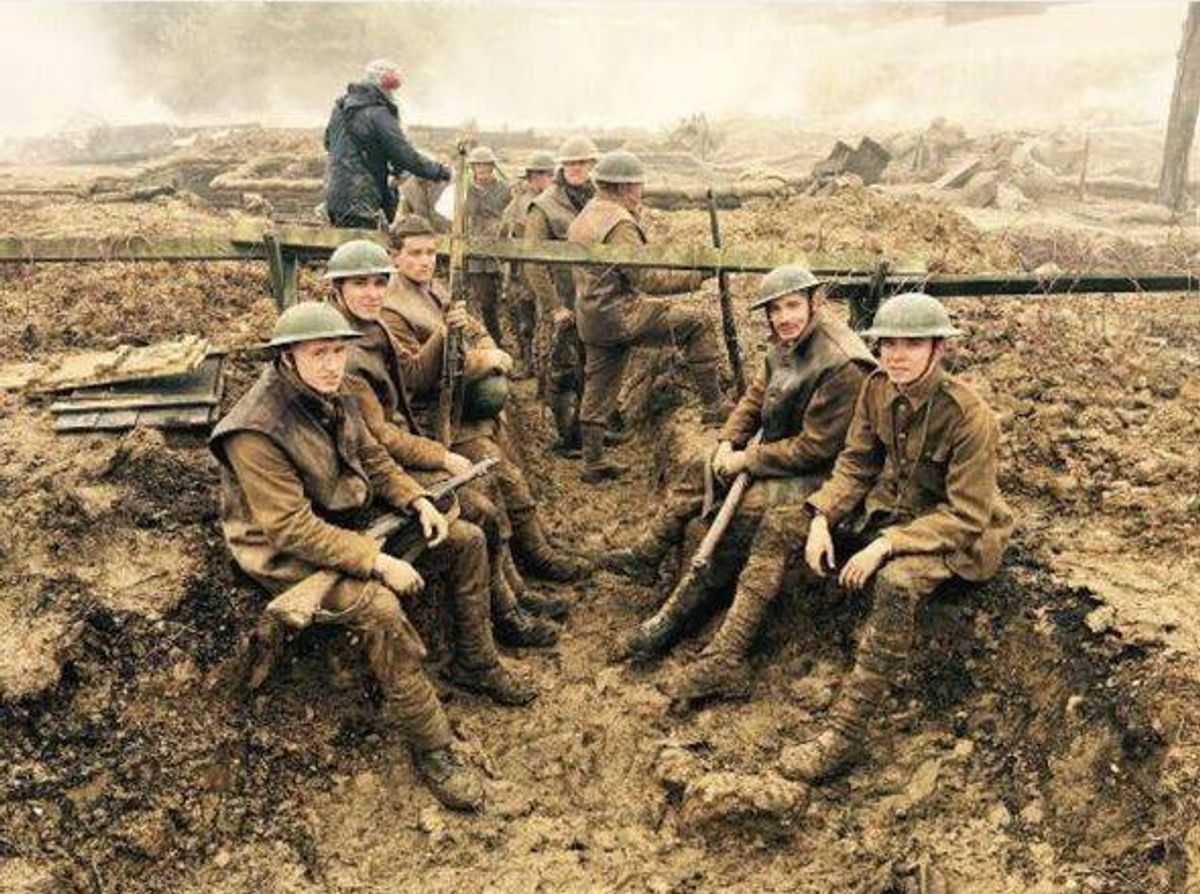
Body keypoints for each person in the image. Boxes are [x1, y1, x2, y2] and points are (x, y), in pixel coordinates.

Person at [211, 302, 534, 812]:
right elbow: (288, 528)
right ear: (286, 358)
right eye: (319, 353)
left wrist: (416, 499)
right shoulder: (256, 429)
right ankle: (434, 747)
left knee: (466, 539)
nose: (332, 364)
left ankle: (477, 662)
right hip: (290, 557)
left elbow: (372, 459)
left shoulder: (331, 394)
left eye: (338, 350)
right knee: (381, 610)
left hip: (347, 526)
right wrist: (377, 561)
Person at [608, 267, 875, 703]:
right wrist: (728, 442)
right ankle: (652, 562)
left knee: (753, 516)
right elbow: (755, 397)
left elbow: (816, 449)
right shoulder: (788, 343)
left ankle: (726, 653)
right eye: (775, 310)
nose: (784, 317)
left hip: (827, 474)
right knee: (701, 469)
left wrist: (747, 459)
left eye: (792, 305)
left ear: (814, 303)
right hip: (782, 456)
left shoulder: (842, 363)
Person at [778, 292, 1013, 782]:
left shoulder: (970, 416)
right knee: (785, 523)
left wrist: (887, 544)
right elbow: (857, 464)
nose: (896, 355)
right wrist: (822, 516)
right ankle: (728, 655)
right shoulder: (878, 389)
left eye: (912, 344)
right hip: (894, 512)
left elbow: (967, 515)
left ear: (939, 350)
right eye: (888, 344)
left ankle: (845, 735)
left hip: (954, 536)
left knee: (896, 583)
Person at [322, 238, 559, 647]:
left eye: (379, 283)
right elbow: (378, 437)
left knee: (483, 492)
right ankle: (504, 617)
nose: (372, 293)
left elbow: (412, 375)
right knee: (478, 512)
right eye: (359, 284)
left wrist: (445, 332)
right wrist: (441, 455)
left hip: (393, 448)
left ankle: (513, 598)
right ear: (336, 291)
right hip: (369, 468)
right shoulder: (342, 353)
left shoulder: (371, 327)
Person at [382, 214, 593, 589]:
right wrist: (481, 360)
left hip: (464, 405)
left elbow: (475, 329)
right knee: (498, 482)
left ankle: (538, 542)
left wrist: (489, 348)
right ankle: (522, 567)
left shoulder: (436, 290)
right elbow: (415, 377)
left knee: (511, 461)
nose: (425, 261)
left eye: (431, 252)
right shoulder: (391, 310)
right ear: (393, 256)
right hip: (432, 420)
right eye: (415, 253)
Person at [568, 149, 728, 483]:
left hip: (592, 317)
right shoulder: (620, 223)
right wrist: (698, 276)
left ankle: (593, 464)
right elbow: (647, 279)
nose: (641, 192)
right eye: (638, 185)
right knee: (699, 325)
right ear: (626, 188)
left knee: (597, 389)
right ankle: (714, 407)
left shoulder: (587, 214)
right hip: (621, 315)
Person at [524, 136, 600, 454]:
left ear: (592, 165)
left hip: (594, 302)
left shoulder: (599, 198)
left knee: (593, 366)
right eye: (570, 163)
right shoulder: (544, 206)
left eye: (581, 163)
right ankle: (567, 437)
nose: (575, 169)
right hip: (562, 304)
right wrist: (554, 306)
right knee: (562, 369)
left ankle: (592, 430)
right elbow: (533, 262)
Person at [323, 59, 450, 229]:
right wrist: (440, 171)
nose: (392, 91)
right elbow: (404, 155)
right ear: (379, 83)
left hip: (334, 196)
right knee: (366, 250)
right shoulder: (378, 113)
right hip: (362, 198)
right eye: (390, 84)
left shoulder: (340, 108)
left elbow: (328, 142)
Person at [500, 151, 557, 376]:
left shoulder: (558, 201)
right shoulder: (518, 202)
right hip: (521, 272)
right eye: (536, 175)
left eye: (546, 175)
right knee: (524, 320)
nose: (540, 180)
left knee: (548, 323)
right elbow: (506, 231)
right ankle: (527, 363)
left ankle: (546, 369)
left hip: (550, 273)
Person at [464, 146, 513, 347]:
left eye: (485, 165)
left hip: (497, 251)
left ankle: (501, 340)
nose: (482, 169)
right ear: (472, 168)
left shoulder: (504, 189)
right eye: (478, 165)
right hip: (473, 252)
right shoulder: (465, 189)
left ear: (493, 167)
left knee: (498, 301)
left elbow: (510, 217)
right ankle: (482, 341)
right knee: (477, 302)